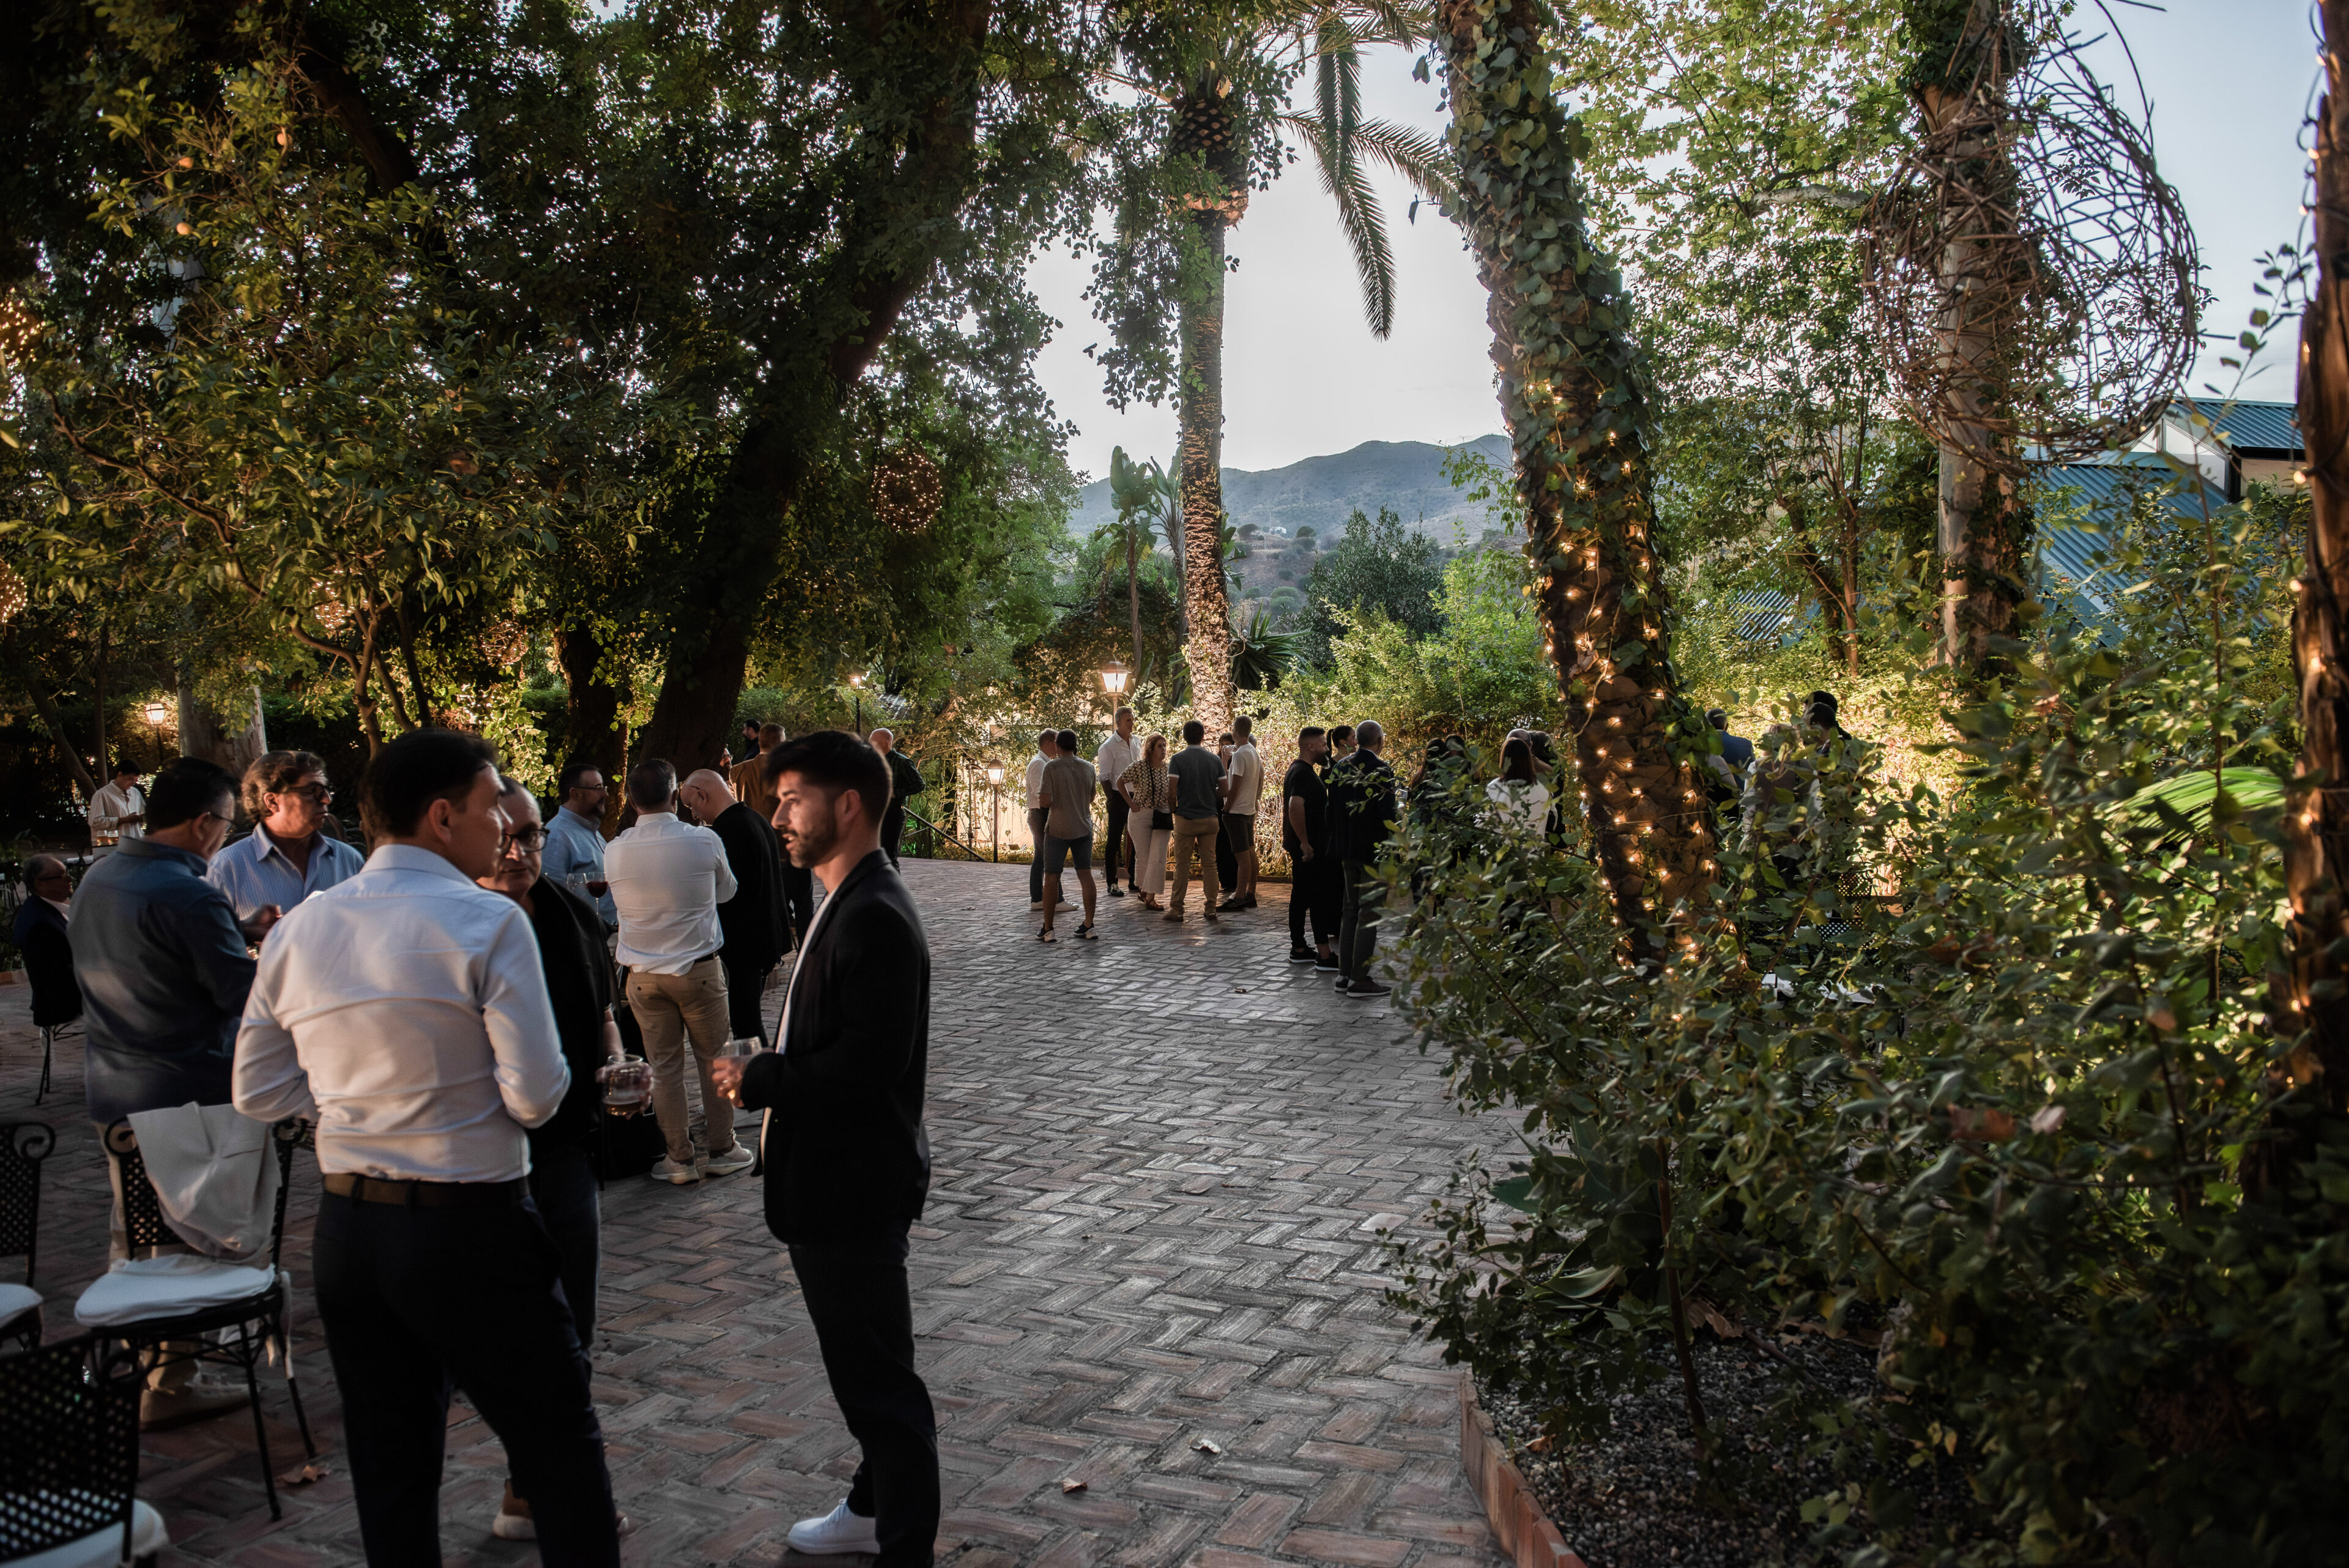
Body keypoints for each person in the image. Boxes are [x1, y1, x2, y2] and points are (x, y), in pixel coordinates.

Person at [233, 729, 621, 1568]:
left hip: (350, 1231)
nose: (502, 829)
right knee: (558, 1440)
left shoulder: (302, 928)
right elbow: (536, 1094)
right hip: (471, 1222)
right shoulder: (486, 920)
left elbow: (257, 1090)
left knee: (391, 1461)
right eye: (490, 811)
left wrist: (352, 1103)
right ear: (443, 817)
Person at [708, 730, 937, 1567]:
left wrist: (764, 1076)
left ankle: (904, 1544)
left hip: (851, 1181)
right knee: (873, 1368)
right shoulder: (849, 894)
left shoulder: (875, 910)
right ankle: (873, 1505)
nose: (777, 814)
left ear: (848, 804)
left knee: (881, 1388)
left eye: (791, 797)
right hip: (837, 1177)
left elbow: (870, 1063)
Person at [71, 757, 258, 1428]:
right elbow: (239, 996)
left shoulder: (99, 876)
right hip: (184, 1090)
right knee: (187, 1238)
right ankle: (171, 1383)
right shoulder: (189, 892)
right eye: (227, 825)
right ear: (204, 820)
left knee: (135, 1236)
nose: (224, 839)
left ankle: (134, 1364)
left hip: (113, 1087)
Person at [475, 777, 625, 1544]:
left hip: (566, 1150)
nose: (518, 850)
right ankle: (533, 1477)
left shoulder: (568, 914)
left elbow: (602, 1014)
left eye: (531, 835)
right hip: (481, 1162)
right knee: (501, 1334)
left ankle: (535, 1487)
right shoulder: (458, 924)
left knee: (574, 1322)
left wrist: (622, 1064)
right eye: (504, 835)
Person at [604, 759, 751, 1184]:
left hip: (643, 976)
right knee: (718, 1060)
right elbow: (728, 891)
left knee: (664, 1067)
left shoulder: (614, 849)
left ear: (631, 801)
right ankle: (723, 1147)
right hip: (699, 969)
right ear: (675, 797)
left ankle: (678, 1156)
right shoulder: (704, 841)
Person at [678, 768, 789, 1047]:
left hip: (744, 946)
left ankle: (758, 1083)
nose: (695, 816)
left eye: (692, 807)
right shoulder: (756, 819)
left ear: (702, 796)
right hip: (764, 937)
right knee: (747, 1022)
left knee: (746, 1028)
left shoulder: (726, 832)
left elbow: (727, 894)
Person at [207, 750, 366, 940]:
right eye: (312, 792)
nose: (326, 799)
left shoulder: (349, 859)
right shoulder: (226, 868)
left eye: (326, 790)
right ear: (273, 801)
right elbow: (208, 944)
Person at [1326, 719, 1398, 999]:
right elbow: (1387, 816)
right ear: (1379, 741)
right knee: (1368, 914)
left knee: (1350, 910)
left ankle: (1344, 974)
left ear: (1357, 740)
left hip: (1347, 848)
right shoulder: (1382, 769)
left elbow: (1331, 810)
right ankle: (1360, 978)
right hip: (1373, 851)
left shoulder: (1341, 766)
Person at [1282, 729, 1338, 970]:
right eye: (1323, 745)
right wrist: (1305, 842)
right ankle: (1324, 955)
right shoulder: (1303, 774)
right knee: (1316, 897)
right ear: (1311, 747)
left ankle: (1299, 947)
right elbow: (1296, 806)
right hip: (1309, 849)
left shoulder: (1299, 771)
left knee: (1301, 895)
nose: (1327, 749)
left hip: (1307, 847)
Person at [1038, 728, 1098, 942]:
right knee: (1086, 875)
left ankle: (1048, 928)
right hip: (1083, 827)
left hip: (1057, 828)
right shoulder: (1089, 767)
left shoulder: (1051, 767)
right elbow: (1091, 797)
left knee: (1052, 877)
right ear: (1075, 745)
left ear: (1057, 745)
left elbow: (1044, 800)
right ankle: (1089, 925)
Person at [543, 760, 617, 930]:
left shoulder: (591, 830)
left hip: (607, 935)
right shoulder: (556, 835)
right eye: (598, 788)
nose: (605, 794)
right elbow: (554, 899)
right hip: (588, 936)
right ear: (576, 794)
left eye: (604, 788)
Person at [1165, 720, 1226, 923]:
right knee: (1211, 865)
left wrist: (1175, 810)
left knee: (1182, 866)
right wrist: (1210, 797)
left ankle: (1177, 909)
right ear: (1202, 736)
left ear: (1184, 736)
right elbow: (1224, 790)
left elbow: (1172, 790)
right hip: (1209, 818)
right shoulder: (1214, 760)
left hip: (1186, 818)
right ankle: (1210, 909)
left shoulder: (1177, 759)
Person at [1119, 734, 1174, 912]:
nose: (1164, 750)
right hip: (1141, 815)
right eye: (1160, 746)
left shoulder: (1168, 769)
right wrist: (1131, 803)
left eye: (1165, 746)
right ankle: (1143, 889)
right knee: (1143, 856)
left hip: (1162, 815)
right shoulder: (1139, 767)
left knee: (1158, 857)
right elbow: (1120, 782)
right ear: (1150, 748)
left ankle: (1150, 896)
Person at [1217, 716, 1263, 912]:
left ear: (1236, 730)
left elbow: (1233, 786)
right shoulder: (1252, 752)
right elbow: (1260, 779)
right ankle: (1250, 893)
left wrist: (1227, 808)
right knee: (1250, 852)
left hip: (1236, 811)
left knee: (1242, 856)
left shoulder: (1240, 755)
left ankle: (1240, 896)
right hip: (1249, 809)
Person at [1093, 708, 1140, 898]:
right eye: (1128, 720)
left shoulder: (1136, 741)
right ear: (1118, 723)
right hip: (1117, 795)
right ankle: (1112, 883)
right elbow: (1104, 777)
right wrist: (1111, 800)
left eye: (1132, 719)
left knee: (1137, 838)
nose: (1131, 723)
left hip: (1137, 795)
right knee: (1114, 840)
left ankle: (1134, 880)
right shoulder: (1108, 747)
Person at [871, 729, 925, 870]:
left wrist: (895, 793)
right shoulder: (872, 761)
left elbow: (919, 785)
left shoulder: (902, 762)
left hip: (892, 813)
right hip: (873, 814)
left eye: (872, 741)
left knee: (888, 854)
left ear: (883, 743)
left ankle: (892, 889)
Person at [1023, 729, 1066, 909]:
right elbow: (1040, 791)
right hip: (1039, 813)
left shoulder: (1043, 763)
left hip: (1041, 813)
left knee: (1043, 857)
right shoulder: (1039, 764)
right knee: (1047, 856)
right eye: (1056, 743)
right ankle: (1053, 899)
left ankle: (1041, 899)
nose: (1058, 748)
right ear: (1049, 743)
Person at [1483, 737, 1551, 838]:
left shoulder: (1494, 788)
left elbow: (1485, 825)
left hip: (1502, 850)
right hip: (1531, 850)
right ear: (1528, 759)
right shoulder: (1543, 791)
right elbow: (1541, 828)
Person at [87, 757, 146, 857]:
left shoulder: (135, 793)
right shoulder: (102, 794)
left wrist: (143, 818)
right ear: (120, 775)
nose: (133, 783)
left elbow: (144, 812)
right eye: (130, 779)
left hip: (135, 845)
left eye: (135, 780)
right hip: (112, 848)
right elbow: (95, 822)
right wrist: (122, 820)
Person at [732, 723, 785, 830]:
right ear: (780, 743)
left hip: (748, 831)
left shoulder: (737, 770)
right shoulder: (786, 769)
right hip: (777, 834)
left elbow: (732, 801)